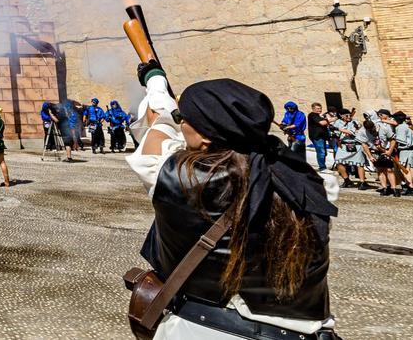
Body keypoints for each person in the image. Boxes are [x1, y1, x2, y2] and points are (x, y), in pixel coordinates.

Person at [127, 70, 339, 339]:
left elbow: (157, 129)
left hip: (205, 330)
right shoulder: (310, 181)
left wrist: (156, 83)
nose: (181, 124)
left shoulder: (180, 177)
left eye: (185, 119)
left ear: (204, 136)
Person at [331, 109, 369, 190]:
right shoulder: (337, 122)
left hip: (356, 144)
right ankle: (347, 180)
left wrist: (338, 129)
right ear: (341, 116)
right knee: (338, 161)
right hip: (343, 145)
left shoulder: (354, 122)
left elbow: (351, 132)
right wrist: (336, 138)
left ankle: (362, 182)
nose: (348, 117)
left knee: (359, 164)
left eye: (349, 115)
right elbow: (335, 133)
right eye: (346, 115)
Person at [308, 102, 331, 171]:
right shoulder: (312, 115)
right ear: (313, 109)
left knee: (324, 153)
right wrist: (332, 119)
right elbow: (322, 123)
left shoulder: (319, 116)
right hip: (317, 137)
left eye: (320, 108)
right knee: (321, 152)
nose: (319, 110)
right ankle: (322, 167)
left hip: (322, 137)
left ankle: (323, 166)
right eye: (317, 108)